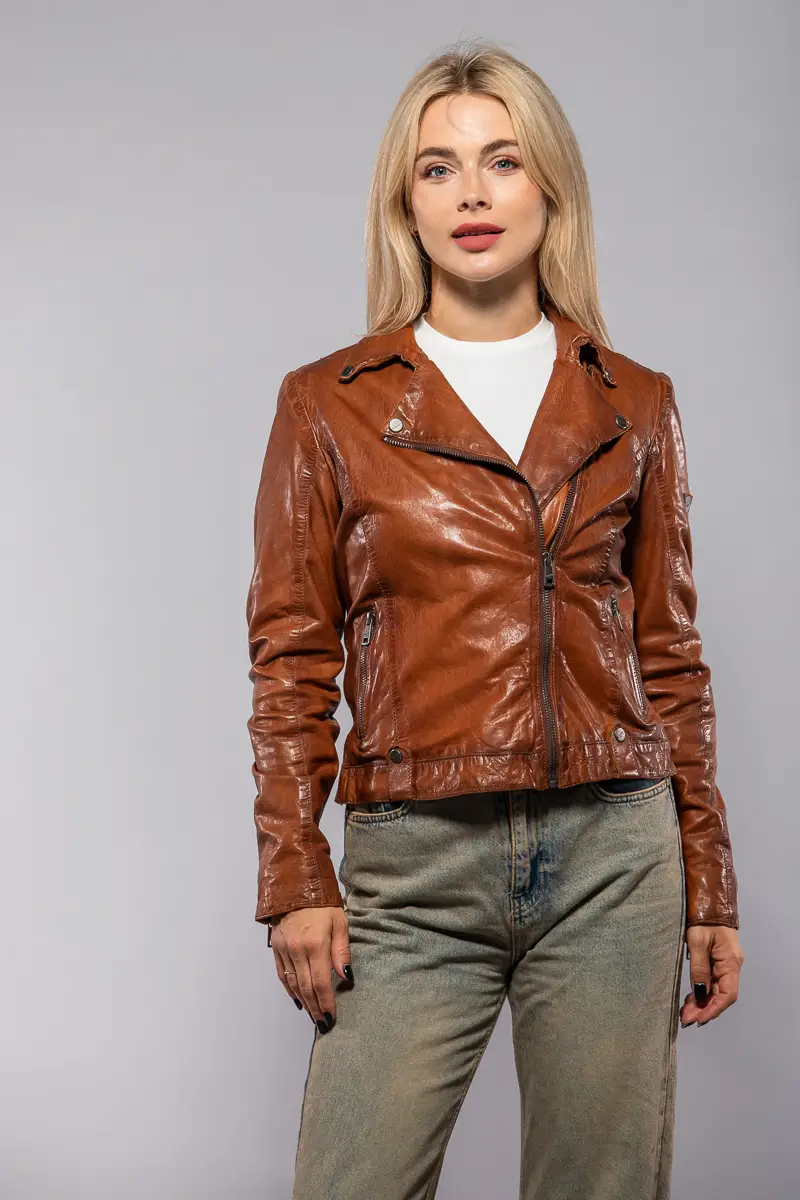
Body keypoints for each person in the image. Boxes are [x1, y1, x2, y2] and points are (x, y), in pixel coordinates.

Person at [245, 38, 743, 1200]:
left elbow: (669, 658)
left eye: (502, 160)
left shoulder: (635, 403)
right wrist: (295, 874)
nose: (470, 192)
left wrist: (708, 883)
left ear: (548, 190)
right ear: (404, 205)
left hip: (613, 857)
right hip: (413, 862)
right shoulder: (328, 406)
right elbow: (290, 656)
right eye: (437, 168)